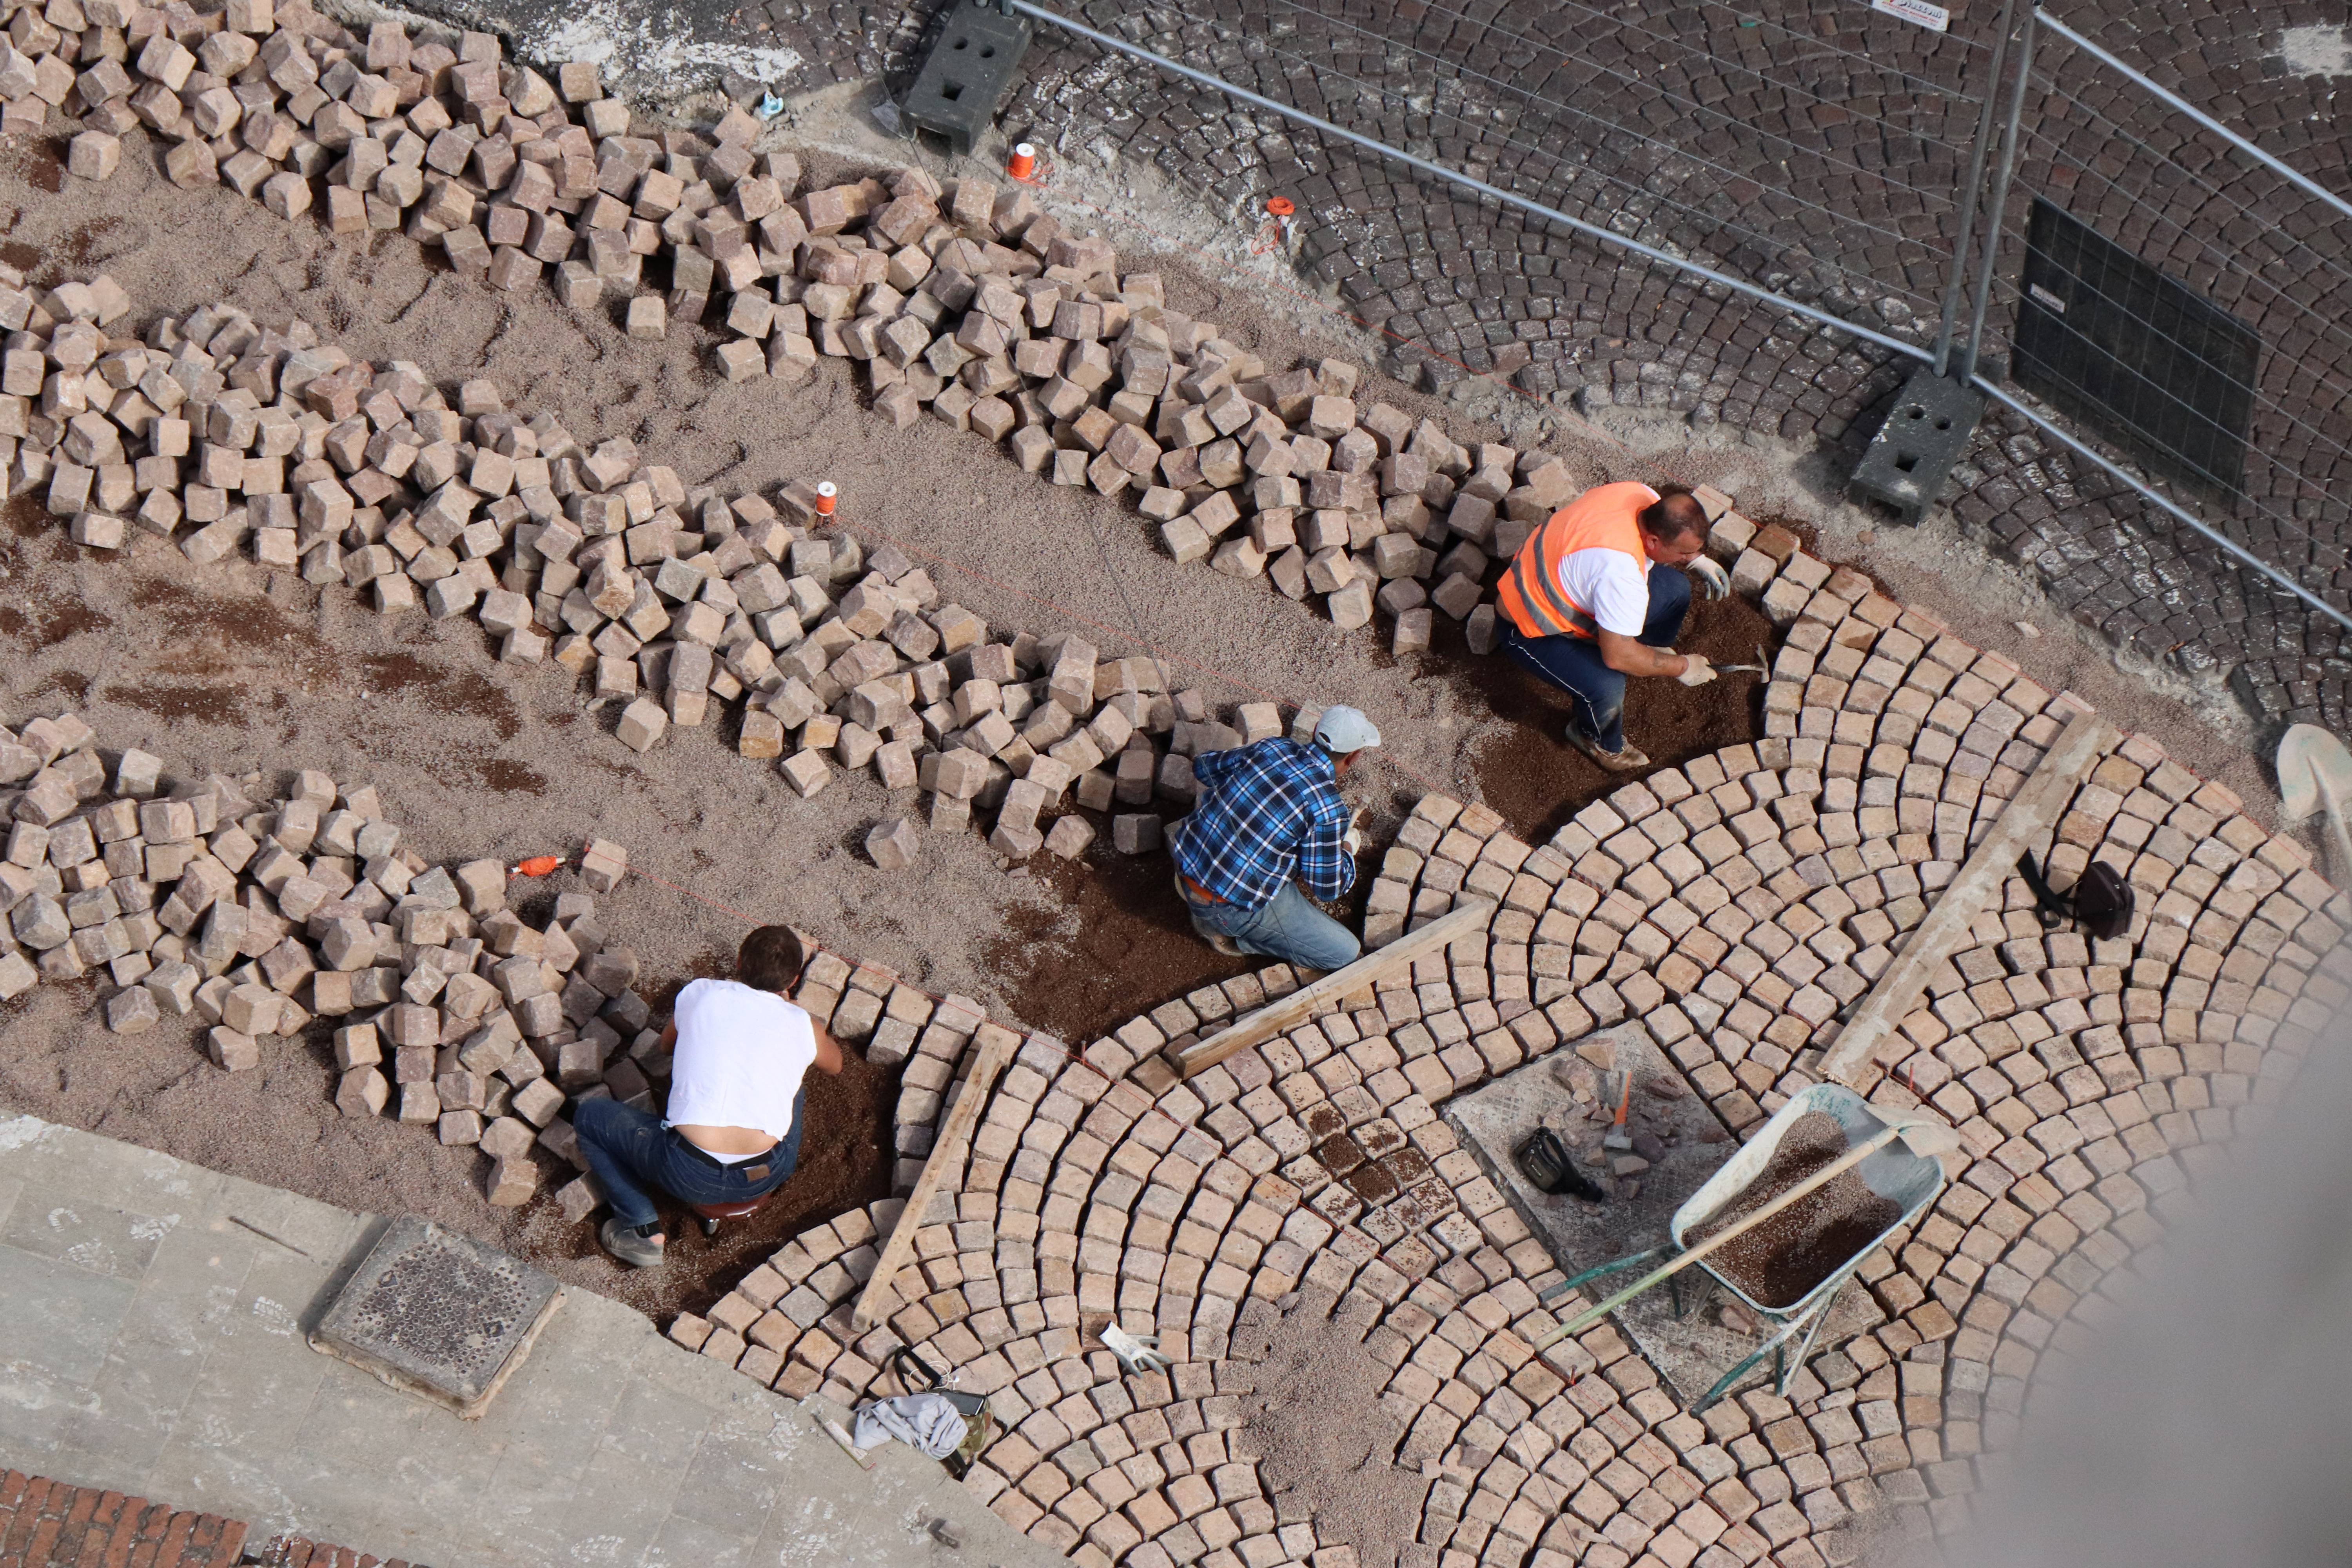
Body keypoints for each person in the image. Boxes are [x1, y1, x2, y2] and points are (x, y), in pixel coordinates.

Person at [576, 924, 844, 1269]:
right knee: (795, 1080)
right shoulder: (804, 1025)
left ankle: (642, 1228)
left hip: (687, 1173)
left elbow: (666, 1046)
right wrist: (791, 1017)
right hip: (768, 1171)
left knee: (589, 1117)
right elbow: (835, 1066)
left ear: (739, 963)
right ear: (793, 981)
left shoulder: (700, 993)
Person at [1494, 481, 1731, 772]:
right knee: (1607, 684)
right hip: (1528, 626)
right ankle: (1595, 739)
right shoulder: (1620, 575)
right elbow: (1617, 657)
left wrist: (1696, 557)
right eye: (1682, 554)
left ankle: (1648, 648)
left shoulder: (1639, 495)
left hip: (1564, 579)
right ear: (1654, 542)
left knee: (1675, 590)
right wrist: (1682, 667)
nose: (1685, 560)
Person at [1169, 704, 1379, 974]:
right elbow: (1328, 890)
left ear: (1316, 731)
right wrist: (1347, 849)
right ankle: (1228, 936)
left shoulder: (1272, 748)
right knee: (1344, 952)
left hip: (1185, 858)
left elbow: (1204, 769)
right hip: (1224, 909)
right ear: (1353, 758)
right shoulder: (1328, 809)